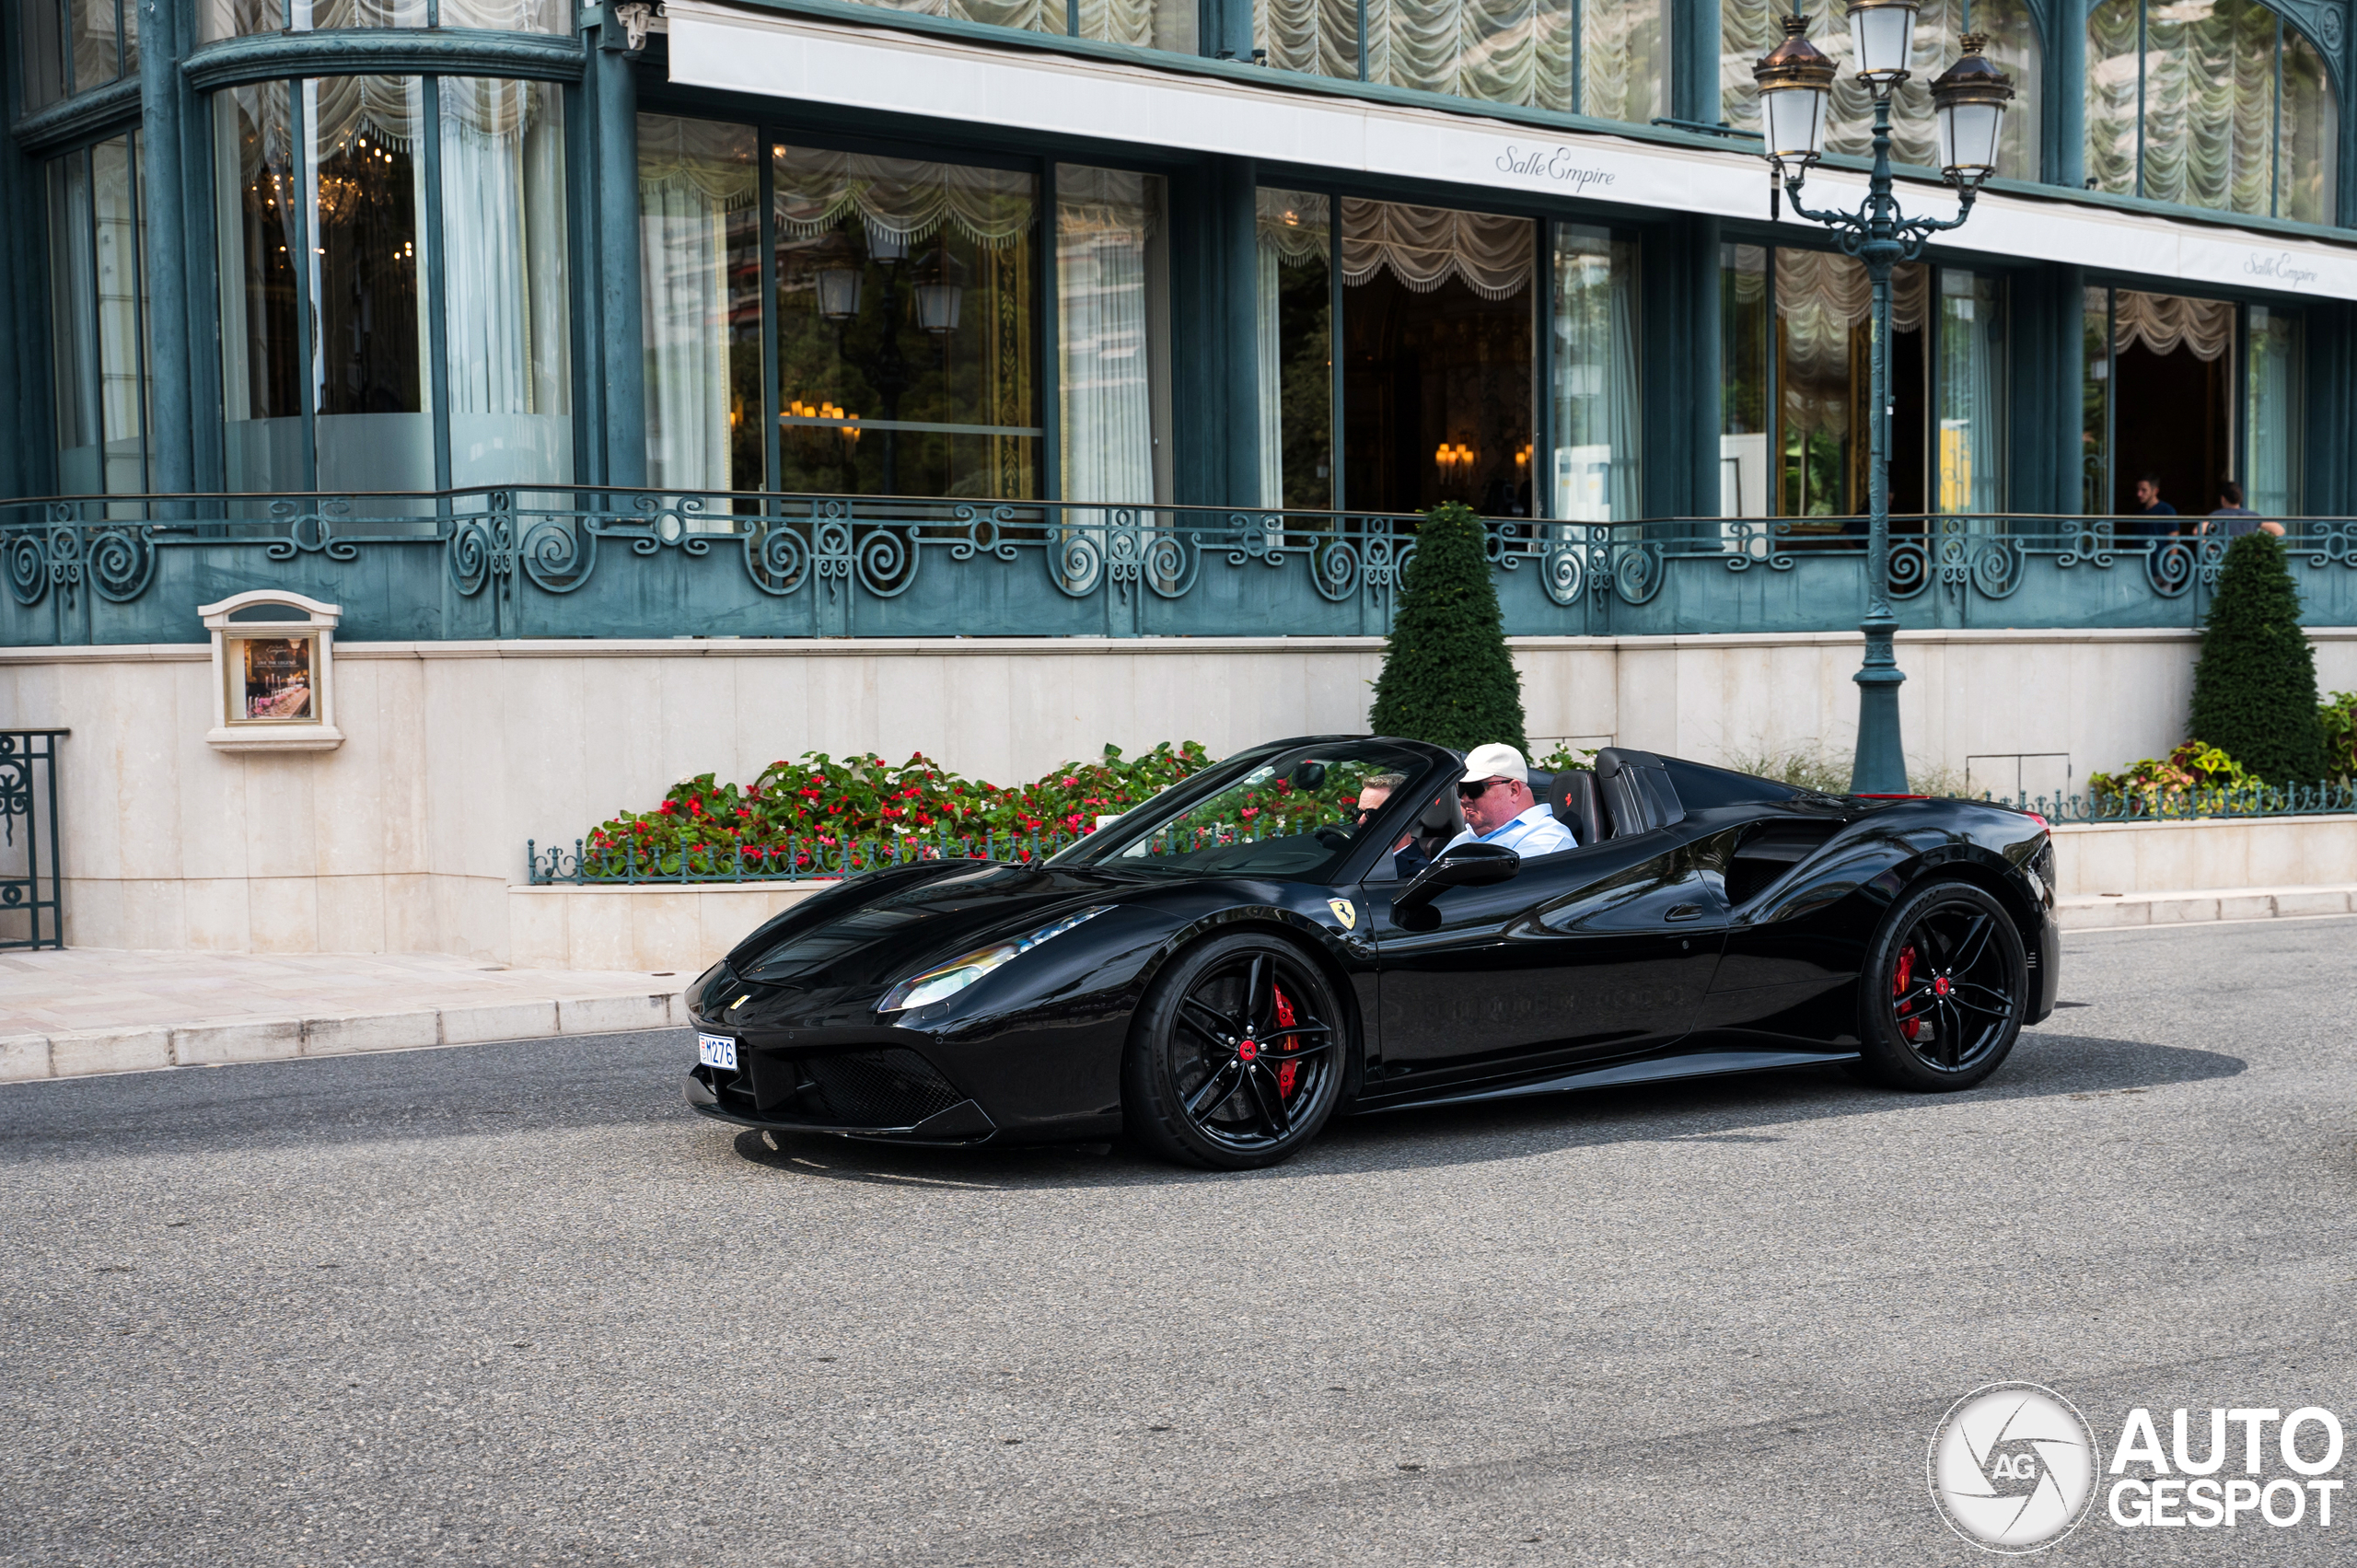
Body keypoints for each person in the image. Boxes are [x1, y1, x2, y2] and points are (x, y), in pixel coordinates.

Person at [1444, 743, 1578, 857]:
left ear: (1514, 790)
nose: (1465, 799)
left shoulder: (1548, 840)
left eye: (1474, 789)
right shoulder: (1464, 838)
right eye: (1461, 789)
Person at [2200, 481, 2285, 539]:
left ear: (2223, 499)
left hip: (2223, 560)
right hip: (2246, 560)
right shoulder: (2252, 516)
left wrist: (2209, 550)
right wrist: (2260, 546)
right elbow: (2279, 530)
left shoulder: (2218, 515)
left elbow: (2198, 531)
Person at [2125, 473, 2177, 541]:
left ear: (2155, 491)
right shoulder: (2137, 511)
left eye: (2144, 490)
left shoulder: (2167, 510)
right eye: (2138, 489)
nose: (2139, 494)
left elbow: (2174, 543)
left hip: (2160, 552)